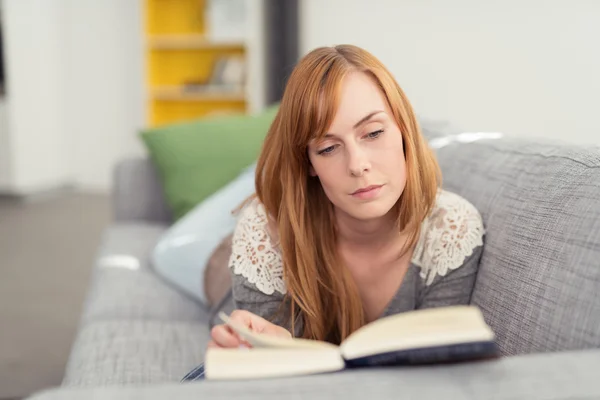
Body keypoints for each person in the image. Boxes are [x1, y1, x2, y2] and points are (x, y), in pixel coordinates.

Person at [182, 44, 484, 381]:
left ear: (404, 130)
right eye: (327, 148)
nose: (358, 166)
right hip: (225, 260)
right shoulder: (262, 236)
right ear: (308, 162)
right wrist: (271, 348)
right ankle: (257, 178)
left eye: (373, 133)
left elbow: (439, 375)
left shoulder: (451, 230)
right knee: (177, 249)